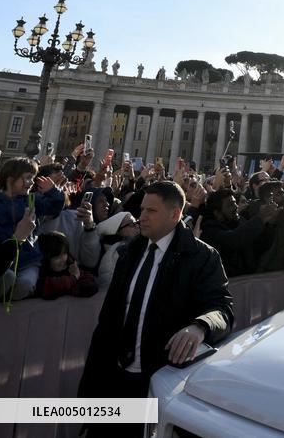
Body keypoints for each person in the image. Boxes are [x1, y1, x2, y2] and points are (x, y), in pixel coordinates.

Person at [78, 181, 233, 436]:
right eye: (142, 209)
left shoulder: (202, 257)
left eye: (151, 211)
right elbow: (108, 321)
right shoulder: (130, 252)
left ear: (175, 214)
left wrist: (199, 327)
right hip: (113, 380)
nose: (142, 217)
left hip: (160, 382)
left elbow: (222, 308)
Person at [0, 157, 65, 300]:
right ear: (11, 179)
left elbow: (55, 206)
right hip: (3, 262)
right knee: (7, 278)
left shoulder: (32, 200)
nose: (31, 183)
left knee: (26, 284)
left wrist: (53, 190)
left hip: (27, 260)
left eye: (33, 178)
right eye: (28, 178)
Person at [35, 231, 98, 299]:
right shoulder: (42, 273)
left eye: (65, 254)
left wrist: (76, 286)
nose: (62, 259)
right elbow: (49, 286)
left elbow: (89, 282)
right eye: (57, 257)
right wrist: (73, 279)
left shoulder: (70, 266)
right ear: (46, 258)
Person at [95, 211, 139, 289]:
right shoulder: (112, 254)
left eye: (137, 222)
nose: (137, 226)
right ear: (119, 231)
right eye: (132, 224)